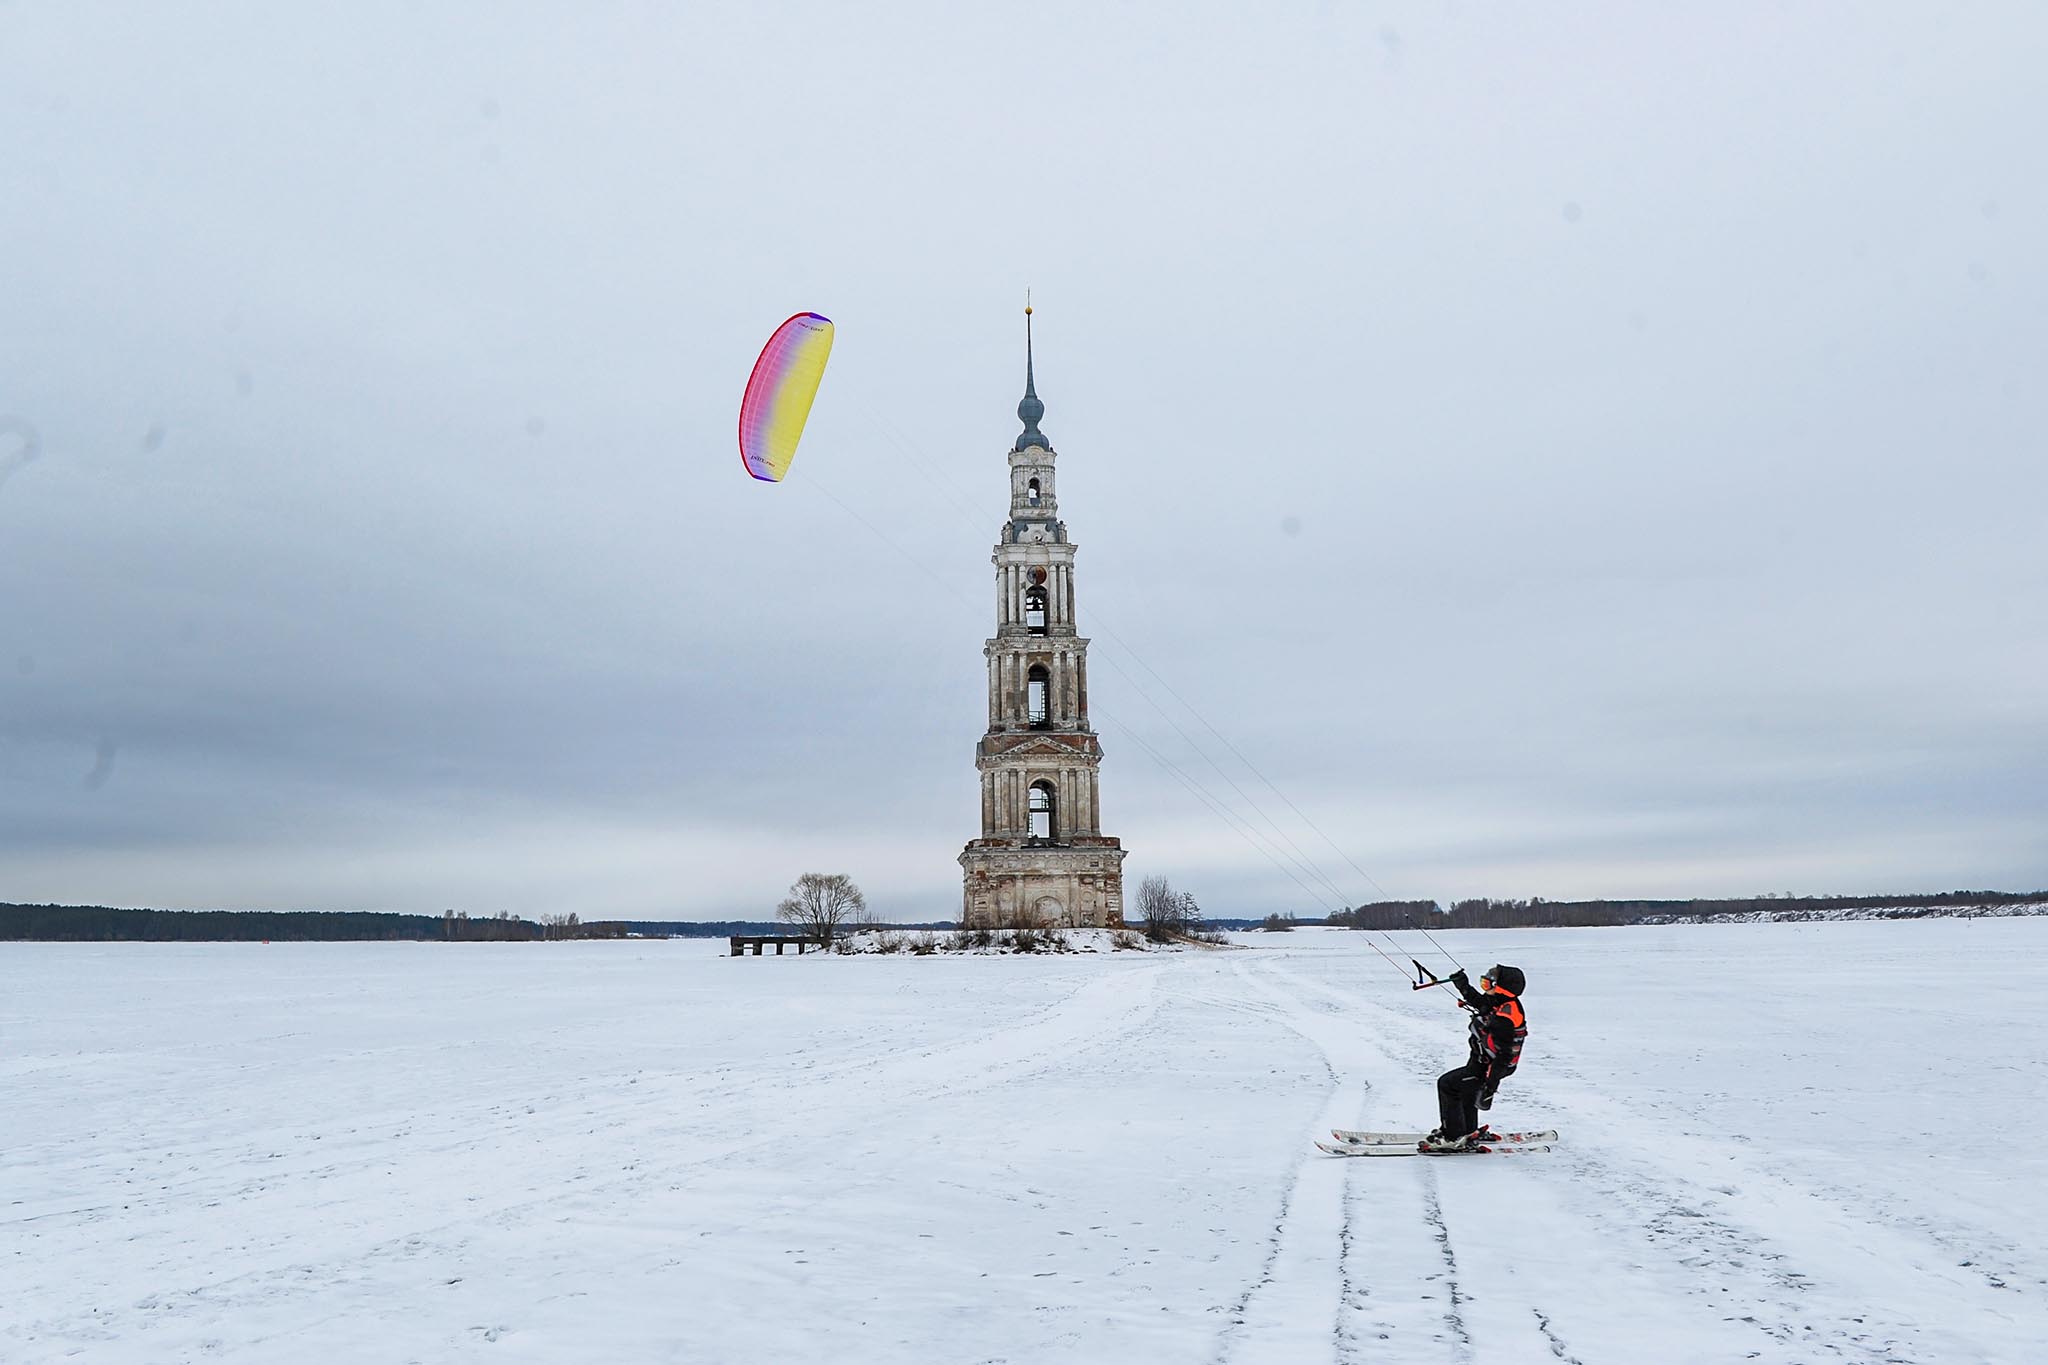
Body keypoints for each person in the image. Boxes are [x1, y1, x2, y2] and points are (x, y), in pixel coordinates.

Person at [1421, 963, 1527, 1152]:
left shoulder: (1505, 1017)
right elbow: (1481, 1003)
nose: (1485, 988)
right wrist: (1462, 985)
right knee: (1466, 1089)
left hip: (1489, 1068)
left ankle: (1452, 1136)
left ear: (1501, 988)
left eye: (1488, 985)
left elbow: (1504, 1056)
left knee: (1447, 1084)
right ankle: (1468, 1131)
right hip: (1481, 1061)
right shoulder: (1502, 1001)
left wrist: (1490, 1087)